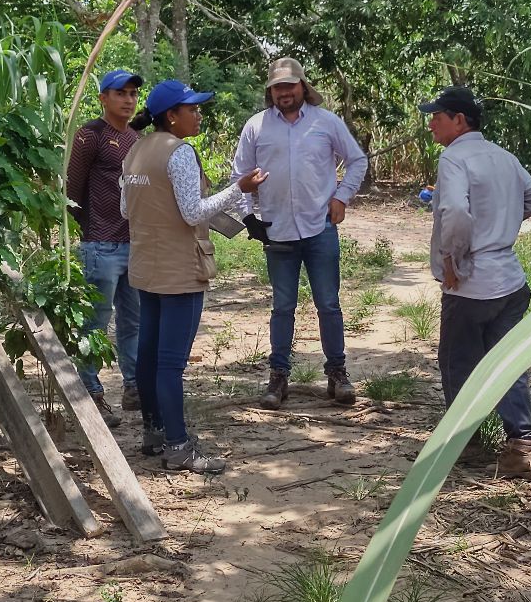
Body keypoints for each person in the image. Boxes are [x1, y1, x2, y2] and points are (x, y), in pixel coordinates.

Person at [121, 79, 267, 473]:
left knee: (149, 358)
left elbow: (124, 209)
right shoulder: (179, 153)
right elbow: (192, 212)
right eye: (193, 109)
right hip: (180, 270)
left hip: (145, 267)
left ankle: (154, 434)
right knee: (170, 364)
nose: (199, 115)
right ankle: (179, 446)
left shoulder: (135, 150)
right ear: (172, 116)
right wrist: (239, 189)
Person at [422, 85, 531, 480]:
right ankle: (522, 444)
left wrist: (452, 258)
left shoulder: (454, 158)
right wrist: (502, 225)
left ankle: (465, 441)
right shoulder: (503, 156)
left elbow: (456, 211)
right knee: (506, 362)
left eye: (437, 117)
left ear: (460, 120)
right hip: (510, 279)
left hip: (472, 283)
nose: (431, 125)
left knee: (459, 362)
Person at [231, 58, 367, 410]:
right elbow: (240, 176)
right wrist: (249, 216)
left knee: (328, 303)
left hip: (319, 226)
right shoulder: (257, 127)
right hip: (276, 230)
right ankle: (278, 377)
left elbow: (357, 160)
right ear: (270, 91)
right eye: (278, 87)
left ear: (303, 87)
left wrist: (342, 197)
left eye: (290, 86)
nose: (284, 92)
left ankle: (337, 373)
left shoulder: (326, 122)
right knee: (282, 306)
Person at [67, 68, 146, 428]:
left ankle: (134, 386)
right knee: (95, 324)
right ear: (103, 98)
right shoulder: (90, 135)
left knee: (134, 320)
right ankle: (91, 391)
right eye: (120, 94)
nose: (128, 100)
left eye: (132, 94)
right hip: (101, 244)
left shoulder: (135, 138)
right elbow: (73, 189)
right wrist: (88, 231)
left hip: (135, 244)